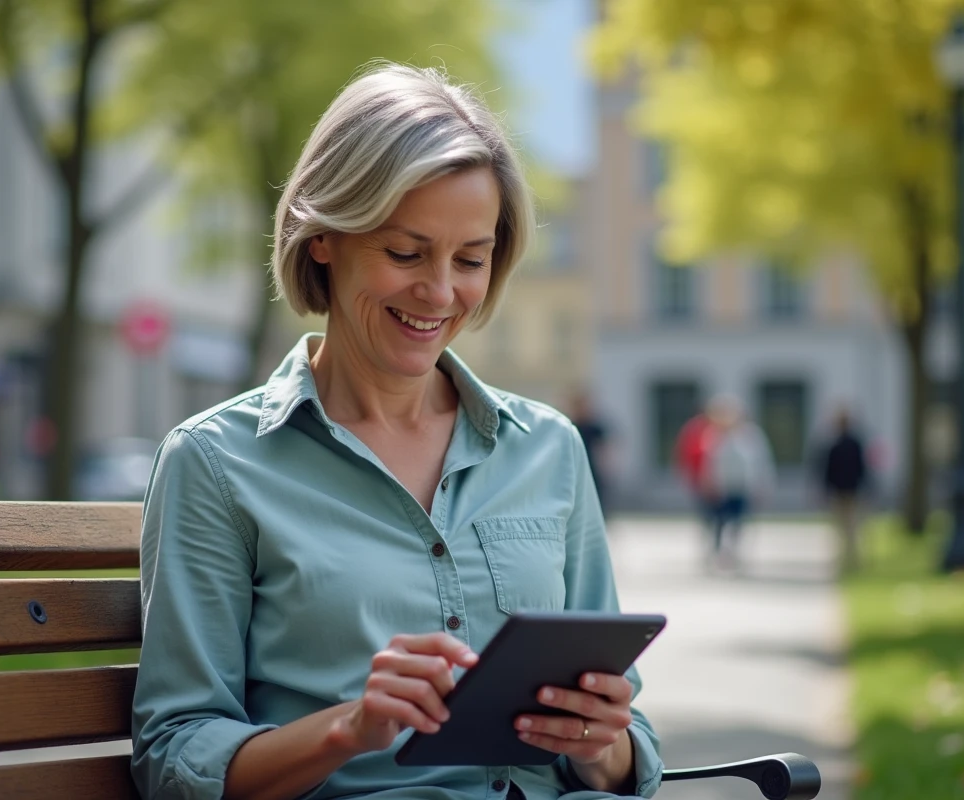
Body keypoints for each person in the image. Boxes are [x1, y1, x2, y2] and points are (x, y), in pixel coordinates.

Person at [130, 64, 663, 800]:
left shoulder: (549, 448)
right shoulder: (218, 463)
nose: (441, 293)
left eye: (471, 260)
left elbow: (625, 737)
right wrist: (348, 727)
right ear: (325, 238)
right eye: (406, 253)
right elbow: (174, 755)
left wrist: (601, 745)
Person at [706, 398, 774, 569]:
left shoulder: (752, 435)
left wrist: (763, 485)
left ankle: (734, 553)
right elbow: (712, 463)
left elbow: (761, 463)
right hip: (724, 487)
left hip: (743, 487)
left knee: (738, 522)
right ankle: (721, 553)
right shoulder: (717, 436)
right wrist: (711, 483)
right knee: (721, 522)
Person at [820, 409, 869, 573]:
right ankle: (851, 558)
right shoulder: (854, 444)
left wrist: (826, 489)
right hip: (851, 490)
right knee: (851, 527)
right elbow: (862, 469)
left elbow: (828, 471)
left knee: (842, 527)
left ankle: (846, 558)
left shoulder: (835, 444)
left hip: (842, 491)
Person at [568, 391, 611, 519]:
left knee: (597, 497)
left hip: (593, 467)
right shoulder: (570, 426)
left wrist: (606, 466)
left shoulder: (594, 426)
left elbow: (604, 448)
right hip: (575, 467)